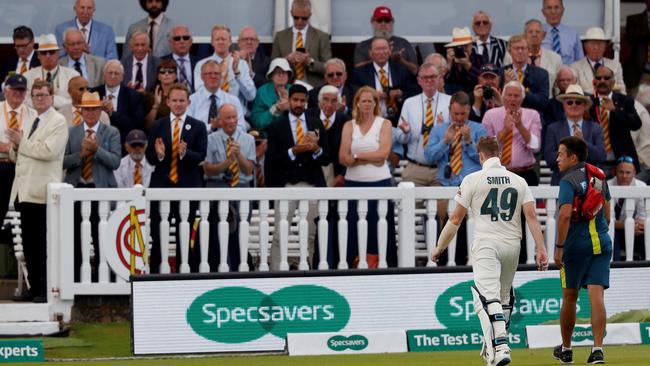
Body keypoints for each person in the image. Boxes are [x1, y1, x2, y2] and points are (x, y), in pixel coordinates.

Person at [431, 136, 548, 366]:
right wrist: (541, 248)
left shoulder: (472, 179)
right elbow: (532, 217)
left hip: (486, 243)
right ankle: (491, 347)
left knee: (486, 297)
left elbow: (455, 219)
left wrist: (440, 246)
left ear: (480, 155)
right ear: (500, 154)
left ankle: (501, 346)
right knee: (503, 298)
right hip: (513, 244)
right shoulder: (518, 180)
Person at [6, 80, 68, 302]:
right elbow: (19, 155)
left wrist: (21, 142)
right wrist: (15, 146)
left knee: (41, 244)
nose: (40, 99)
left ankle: (44, 289)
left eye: (44, 95)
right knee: (29, 244)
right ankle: (33, 287)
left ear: (52, 97)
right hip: (24, 189)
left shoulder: (58, 121)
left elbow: (49, 151)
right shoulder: (31, 118)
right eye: (36, 95)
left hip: (42, 191)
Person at [553, 136, 611, 365]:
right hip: (601, 243)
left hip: (575, 246)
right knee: (596, 296)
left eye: (560, 154)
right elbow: (606, 208)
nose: (557, 159)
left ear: (573, 157)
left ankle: (566, 349)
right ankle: (597, 349)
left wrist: (558, 248)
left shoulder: (568, 181)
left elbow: (565, 215)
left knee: (570, 296)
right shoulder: (598, 174)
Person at [265, 84, 329, 270]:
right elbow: (272, 160)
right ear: (289, 101)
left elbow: (327, 157)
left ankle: (310, 269)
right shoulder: (277, 126)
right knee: (280, 233)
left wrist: (316, 149)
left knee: (311, 233)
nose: (299, 104)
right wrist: (294, 151)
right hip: (286, 185)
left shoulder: (316, 123)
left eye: (303, 100)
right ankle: (276, 271)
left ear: (307, 102)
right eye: (295, 100)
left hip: (312, 184)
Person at [146, 83, 207, 273]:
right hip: (162, 187)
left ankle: (187, 273)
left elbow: (201, 156)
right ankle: (156, 274)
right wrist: (160, 155)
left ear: (188, 102)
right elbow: (150, 156)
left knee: (187, 234)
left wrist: (185, 154)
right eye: (175, 100)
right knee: (158, 234)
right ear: (168, 102)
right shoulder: (158, 125)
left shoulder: (198, 126)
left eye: (182, 100)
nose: (178, 104)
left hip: (188, 187)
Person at [62, 91, 121, 281]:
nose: (90, 113)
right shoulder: (71, 132)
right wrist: (81, 155)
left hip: (100, 190)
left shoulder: (111, 132)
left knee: (101, 234)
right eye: (87, 109)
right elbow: (62, 161)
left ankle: (103, 276)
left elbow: (115, 162)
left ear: (100, 111)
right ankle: (77, 276)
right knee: (76, 234)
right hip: (77, 189)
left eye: (94, 109)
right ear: (81, 112)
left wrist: (96, 150)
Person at [339, 86, 397, 268]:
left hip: (379, 183)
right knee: (353, 226)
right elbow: (343, 157)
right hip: (353, 184)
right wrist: (367, 157)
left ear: (375, 103)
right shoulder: (349, 126)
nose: (366, 104)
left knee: (379, 226)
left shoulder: (384, 124)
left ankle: (382, 264)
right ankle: (353, 264)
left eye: (370, 101)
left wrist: (357, 157)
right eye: (363, 100)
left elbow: (383, 154)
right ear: (357, 102)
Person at [204, 103, 256, 271]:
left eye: (234, 117)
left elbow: (249, 170)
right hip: (219, 186)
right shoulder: (211, 139)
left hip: (241, 186)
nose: (232, 121)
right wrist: (227, 162)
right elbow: (208, 170)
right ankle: (221, 268)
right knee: (219, 231)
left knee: (241, 230)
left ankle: (240, 268)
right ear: (219, 120)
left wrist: (238, 155)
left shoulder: (248, 139)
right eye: (227, 118)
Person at [395, 63, 451, 188]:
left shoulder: (450, 101)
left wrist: (442, 130)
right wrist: (405, 132)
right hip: (415, 167)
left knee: (441, 207)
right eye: (425, 77)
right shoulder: (409, 103)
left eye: (433, 76)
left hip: (440, 167)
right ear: (419, 80)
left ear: (439, 79)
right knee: (409, 206)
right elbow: (399, 138)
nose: (429, 80)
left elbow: (456, 137)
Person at [483, 81, 542, 186]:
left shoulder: (533, 115)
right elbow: (486, 148)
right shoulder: (490, 115)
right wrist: (505, 130)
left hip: (525, 173)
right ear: (503, 97)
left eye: (516, 96)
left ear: (522, 98)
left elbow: (535, 147)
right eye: (509, 95)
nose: (512, 99)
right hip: (497, 174)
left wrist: (520, 126)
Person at [545, 84, 605, 185]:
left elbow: (601, 156)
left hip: (588, 185)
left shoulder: (596, 128)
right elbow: (549, 159)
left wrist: (583, 143)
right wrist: (570, 150)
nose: (574, 105)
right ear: (564, 106)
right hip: (561, 183)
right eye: (569, 102)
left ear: (585, 106)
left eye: (578, 102)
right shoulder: (553, 128)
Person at [350, 37, 418, 126]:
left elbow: (414, 92)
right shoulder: (360, 73)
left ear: (390, 51)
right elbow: (354, 96)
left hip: (398, 122)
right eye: (378, 49)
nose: (381, 52)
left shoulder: (402, 70)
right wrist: (372, 96)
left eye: (384, 48)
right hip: (371, 122)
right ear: (370, 53)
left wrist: (401, 94)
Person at [0, 75, 37, 231]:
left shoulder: (33, 114)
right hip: (1, 167)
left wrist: (10, 148)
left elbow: (35, 142)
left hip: (22, 169)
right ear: (6, 90)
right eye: (15, 89)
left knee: (28, 217)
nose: (18, 93)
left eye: (22, 91)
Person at [588, 66, 642, 173]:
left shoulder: (624, 100)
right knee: (597, 190)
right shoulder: (587, 102)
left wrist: (615, 110)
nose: (602, 81)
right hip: (596, 163)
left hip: (620, 162)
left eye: (606, 78)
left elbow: (636, 124)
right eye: (598, 78)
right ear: (594, 82)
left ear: (613, 82)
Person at [271, 0, 332, 87]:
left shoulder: (322, 37)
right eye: (296, 17)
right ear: (291, 13)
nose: (299, 21)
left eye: (304, 18)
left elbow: (328, 67)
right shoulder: (280, 36)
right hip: (287, 85)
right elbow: (272, 64)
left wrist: (310, 62)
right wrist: (286, 60)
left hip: (313, 86)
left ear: (310, 15)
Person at [193, 25, 256, 109]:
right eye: (217, 39)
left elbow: (251, 96)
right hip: (211, 112)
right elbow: (200, 93)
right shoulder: (201, 65)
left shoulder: (241, 64)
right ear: (212, 42)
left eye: (223, 39)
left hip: (236, 115)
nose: (220, 42)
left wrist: (237, 74)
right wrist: (221, 75)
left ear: (230, 42)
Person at [91, 60, 145, 148]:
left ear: (122, 77)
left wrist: (112, 113)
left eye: (116, 73)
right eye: (110, 73)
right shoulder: (94, 93)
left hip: (123, 143)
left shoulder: (133, 96)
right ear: (104, 75)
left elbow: (136, 125)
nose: (113, 76)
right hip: (97, 141)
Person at [353, 6, 418, 76]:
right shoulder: (363, 45)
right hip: (371, 85)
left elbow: (415, 70)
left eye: (387, 20)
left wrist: (401, 60)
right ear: (372, 22)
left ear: (392, 22)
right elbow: (357, 70)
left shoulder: (403, 43)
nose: (383, 24)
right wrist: (378, 58)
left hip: (401, 85)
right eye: (379, 20)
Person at [504, 19, 562, 96]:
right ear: (524, 35)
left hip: (544, 105)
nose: (534, 35)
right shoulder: (510, 56)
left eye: (537, 32)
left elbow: (557, 89)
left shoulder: (555, 58)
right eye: (530, 32)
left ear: (544, 35)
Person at [187, 60, 247, 132]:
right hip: (200, 142)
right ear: (202, 77)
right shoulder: (192, 100)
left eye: (216, 73)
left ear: (221, 76)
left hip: (226, 141)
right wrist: (212, 127)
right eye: (209, 73)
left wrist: (226, 125)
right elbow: (188, 127)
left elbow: (242, 129)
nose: (213, 76)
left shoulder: (233, 100)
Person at [23, 34, 80, 109]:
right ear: (38, 55)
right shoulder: (28, 76)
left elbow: (76, 102)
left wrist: (52, 99)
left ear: (58, 54)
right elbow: (24, 102)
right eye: (44, 53)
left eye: (51, 52)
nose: (48, 56)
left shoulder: (73, 75)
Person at [608, 156, 646, 261]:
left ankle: (646, 269)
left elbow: (642, 217)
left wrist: (636, 225)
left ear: (634, 173)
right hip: (613, 229)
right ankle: (615, 270)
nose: (624, 176)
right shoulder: (607, 186)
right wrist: (628, 225)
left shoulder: (641, 187)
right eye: (621, 172)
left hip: (633, 229)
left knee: (646, 234)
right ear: (615, 172)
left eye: (628, 172)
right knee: (610, 235)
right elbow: (608, 221)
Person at [54, 0, 118, 60]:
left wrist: (90, 54)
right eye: (82, 7)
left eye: (89, 8)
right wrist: (76, 51)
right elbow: (59, 57)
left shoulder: (106, 31)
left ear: (94, 10)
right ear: (75, 9)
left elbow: (112, 60)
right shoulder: (61, 29)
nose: (85, 11)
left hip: (97, 71)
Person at [501, 34, 549, 115]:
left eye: (523, 48)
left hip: (532, 118)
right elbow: (497, 101)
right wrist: (506, 85)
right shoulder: (502, 72)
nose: (520, 51)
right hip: (506, 116)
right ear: (509, 52)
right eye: (516, 48)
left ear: (529, 51)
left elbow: (543, 102)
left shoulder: (541, 74)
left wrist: (518, 88)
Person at [571, 27, 625, 95]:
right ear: (585, 46)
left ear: (605, 46)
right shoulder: (575, 67)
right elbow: (575, 92)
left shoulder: (615, 66)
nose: (596, 47)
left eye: (599, 44)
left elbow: (622, 91)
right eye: (592, 44)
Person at [250, 58, 293, 132]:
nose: (281, 75)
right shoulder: (262, 92)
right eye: (277, 72)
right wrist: (275, 109)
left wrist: (290, 107)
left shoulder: (294, 90)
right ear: (271, 75)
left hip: (290, 133)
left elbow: (302, 116)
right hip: (268, 134)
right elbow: (257, 122)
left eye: (284, 72)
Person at [541, 0, 583, 65]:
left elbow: (580, 62)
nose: (553, 11)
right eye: (549, 8)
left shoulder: (573, 34)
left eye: (556, 7)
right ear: (543, 12)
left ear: (563, 11)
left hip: (568, 73)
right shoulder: (536, 33)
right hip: (545, 73)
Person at [444, 27, 482, 95]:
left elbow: (483, 80)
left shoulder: (480, 59)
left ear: (471, 45)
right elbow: (442, 83)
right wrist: (448, 66)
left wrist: (468, 65)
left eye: (465, 46)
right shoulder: (450, 60)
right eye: (458, 46)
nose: (462, 49)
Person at [623, 0, 650, 95]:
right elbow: (630, 38)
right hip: (640, 72)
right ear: (646, 1)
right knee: (636, 106)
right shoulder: (634, 19)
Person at [143, 59, 178, 129]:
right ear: (158, 77)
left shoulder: (182, 95)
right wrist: (156, 105)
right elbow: (147, 125)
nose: (166, 74)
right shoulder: (150, 96)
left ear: (175, 76)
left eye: (170, 72)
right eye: (162, 72)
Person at [161, 25, 197, 93]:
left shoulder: (200, 63)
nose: (182, 41)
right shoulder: (161, 62)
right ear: (170, 42)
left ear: (191, 41)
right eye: (177, 38)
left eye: (185, 38)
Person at [632, 85, 650, 183]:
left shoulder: (636, 108)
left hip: (643, 163)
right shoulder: (639, 109)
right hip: (642, 162)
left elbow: (631, 140)